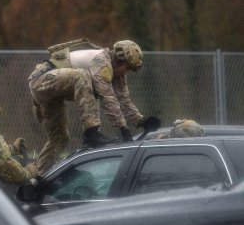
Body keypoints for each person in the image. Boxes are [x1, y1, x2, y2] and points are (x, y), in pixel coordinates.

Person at [28, 38, 161, 174]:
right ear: (118, 59)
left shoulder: (117, 75)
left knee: (60, 138)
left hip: (52, 94)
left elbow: (124, 100)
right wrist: (123, 128)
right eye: (126, 68)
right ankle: (91, 134)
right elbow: (107, 98)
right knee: (83, 76)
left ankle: (39, 174)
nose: (124, 73)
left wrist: (141, 121)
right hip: (41, 81)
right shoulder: (102, 62)